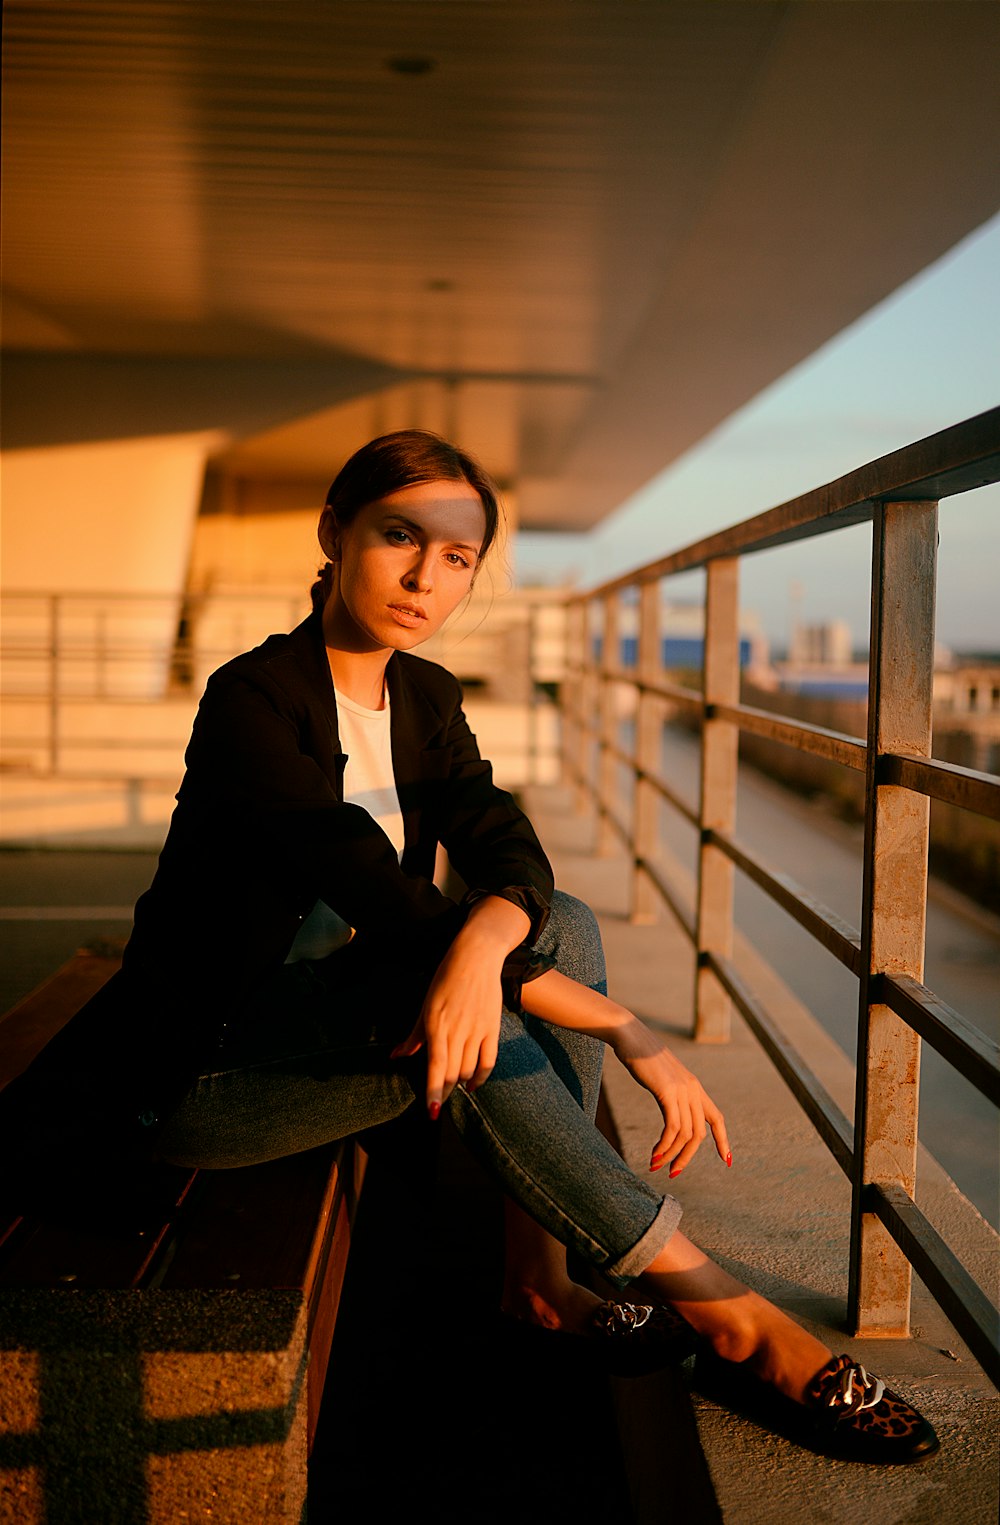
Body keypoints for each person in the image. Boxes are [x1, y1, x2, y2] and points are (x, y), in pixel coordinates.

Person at [12, 431, 938, 1464]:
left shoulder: (425, 696)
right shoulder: (252, 701)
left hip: (342, 1012)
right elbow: (372, 883)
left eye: (456, 557)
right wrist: (620, 1020)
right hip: (204, 1066)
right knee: (486, 1002)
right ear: (334, 532)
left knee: (561, 924)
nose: (424, 577)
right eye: (399, 536)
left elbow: (505, 843)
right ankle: (736, 1319)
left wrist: (491, 932)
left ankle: (537, 1277)